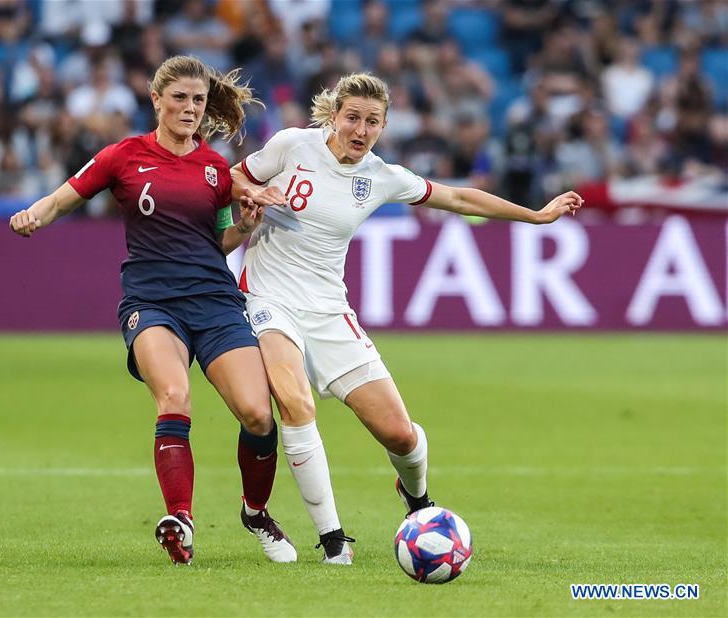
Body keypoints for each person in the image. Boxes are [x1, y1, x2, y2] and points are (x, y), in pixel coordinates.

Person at [231, 73, 582, 564]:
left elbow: (459, 198)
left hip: (330, 310)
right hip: (267, 296)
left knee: (399, 433)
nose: (361, 128)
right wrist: (253, 195)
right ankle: (334, 541)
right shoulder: (292, 145)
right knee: (296, 403)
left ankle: (416, 498)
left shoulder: (381, 176)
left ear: (384, 126)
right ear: (334, 115)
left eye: (372, 121)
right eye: (353, 117)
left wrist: (536, 215)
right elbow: (233, 175)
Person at [8, 55, 296, 566]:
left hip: (214, 302)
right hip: (152, 302)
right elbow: (63, 198)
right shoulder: (123, 156)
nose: (189, 108)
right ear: (156, 99)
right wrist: (35, 214)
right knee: (174, 395)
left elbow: (220, 240)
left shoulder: (214, 169)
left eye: (198, 100)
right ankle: (180, 522)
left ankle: (255, 512)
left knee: (257, 414)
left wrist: (246, 227)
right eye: (180, 98)